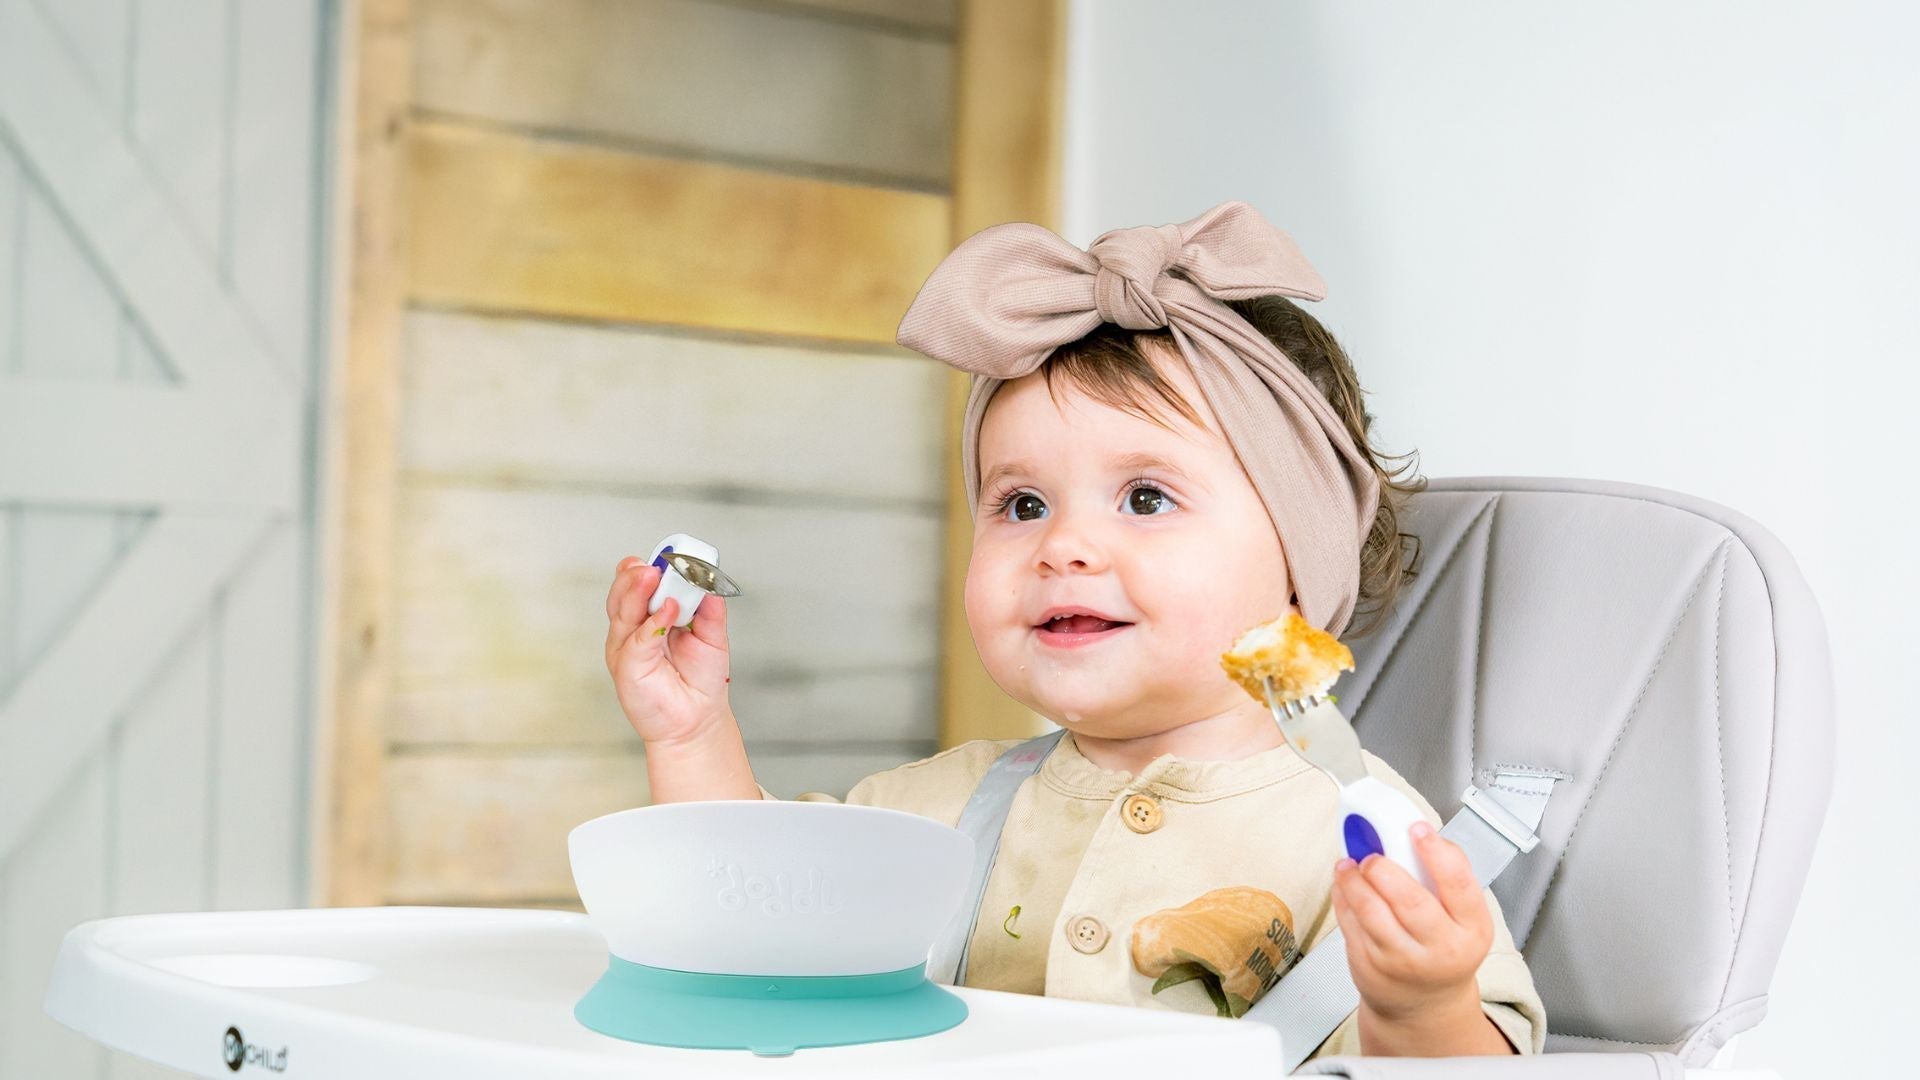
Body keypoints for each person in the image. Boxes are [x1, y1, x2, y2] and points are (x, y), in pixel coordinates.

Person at [603, 202, 1544, 1060]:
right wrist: (692, 734)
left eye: (1144, 497)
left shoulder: (1366, 836)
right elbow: (748, 918)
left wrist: (1421, 1006)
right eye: (1019, 504)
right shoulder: (940, 810)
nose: (1064, 546)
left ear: (1298, 567)